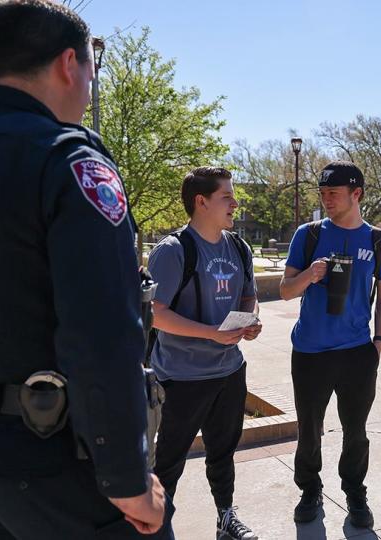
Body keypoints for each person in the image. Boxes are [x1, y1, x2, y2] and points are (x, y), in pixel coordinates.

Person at [0, 1, 172, 537]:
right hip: (55, 464)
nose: (89, 87)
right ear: (70, 63)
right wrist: (127, 478)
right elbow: (103, 333)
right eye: (92, 69)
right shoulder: (69, 160)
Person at [147, 167, 262, 540]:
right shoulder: (174, 250)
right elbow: (155, 314)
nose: (234, 203)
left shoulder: (239, 247)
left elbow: (248, 297)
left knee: (223, 451)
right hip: (183, 377)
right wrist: (211, 334)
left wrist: (250, 322)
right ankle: (156, 527)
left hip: (230, 372)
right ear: (202, 202)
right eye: (226, 197)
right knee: (169, 460)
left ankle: (226, 517)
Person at [279, 161, 381, 530]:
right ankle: (310, 489)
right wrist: (310, 275)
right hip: (311, 352)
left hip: (358, 353)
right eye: (323, 193)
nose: (326, 200)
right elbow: (284, 291)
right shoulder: (308, 235)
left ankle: (355, 492)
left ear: (356, 194)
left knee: (355, 430)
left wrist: (378, 340)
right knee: (309, 429)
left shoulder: (377, 241)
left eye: (334, 193)